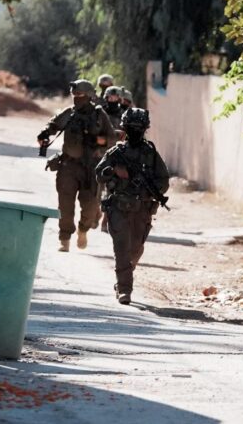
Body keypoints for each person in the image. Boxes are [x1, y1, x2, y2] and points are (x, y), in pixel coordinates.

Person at [96, 108, 169, 305]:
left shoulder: (151, 153)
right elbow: (99, 173)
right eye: (132, 127)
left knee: (135, 250)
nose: (135, 131)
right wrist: (114, 170)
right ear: (125, 128)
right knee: (121, 249)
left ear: (145, 129)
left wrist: (150, 190)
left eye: (139, 127)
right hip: (119, 208)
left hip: (141, 209)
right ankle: (124, 289)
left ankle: (124, 276)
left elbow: (163, 181)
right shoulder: (116, 152)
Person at [37, 79, 121, 252]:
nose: (76, 98)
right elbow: (53, 125)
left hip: (91, 168)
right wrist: (44, 133)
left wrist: (99, 140)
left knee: (90, 207)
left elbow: (112, 138)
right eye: (74, 95)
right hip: (68, 165)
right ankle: (65, 238)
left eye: (79, 95)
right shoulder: (70, 113)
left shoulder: (99, 115)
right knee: (65, 205)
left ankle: (83, 229)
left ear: (88, 96)